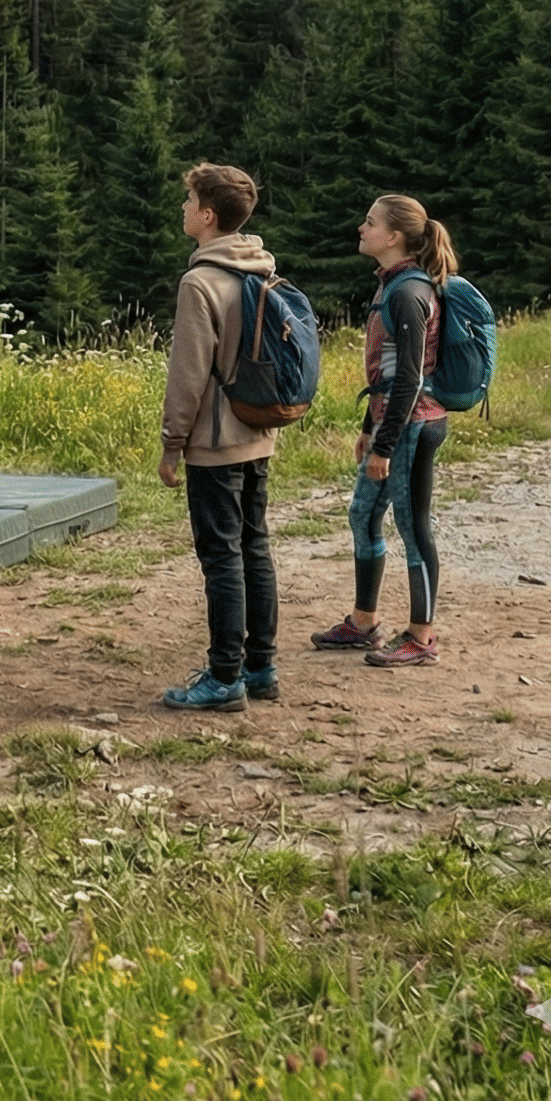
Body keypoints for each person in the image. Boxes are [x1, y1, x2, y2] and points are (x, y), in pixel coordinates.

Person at [309, 194, 455, 668]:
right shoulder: (390, 286)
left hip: (414, 425)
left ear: (393, 237)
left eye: (370, 222)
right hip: (392, 423)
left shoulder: (411, 292)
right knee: (362, 515)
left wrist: (385, 443)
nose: (361, 227)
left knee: (413, 527)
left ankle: (422, 636)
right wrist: (367, 428)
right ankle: (363, 623)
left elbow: (411, 379)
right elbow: (386, 373)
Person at [158, 162, 281, 712]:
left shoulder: (199, 282)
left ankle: (224, 676)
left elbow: (187, 376)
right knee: (255, 548)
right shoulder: (260, 270)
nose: (183, 209)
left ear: (207, 217)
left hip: (214, 443)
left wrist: (170, 444)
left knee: (221, 557)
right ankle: (261, 668)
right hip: (258, 432)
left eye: (188, 202)